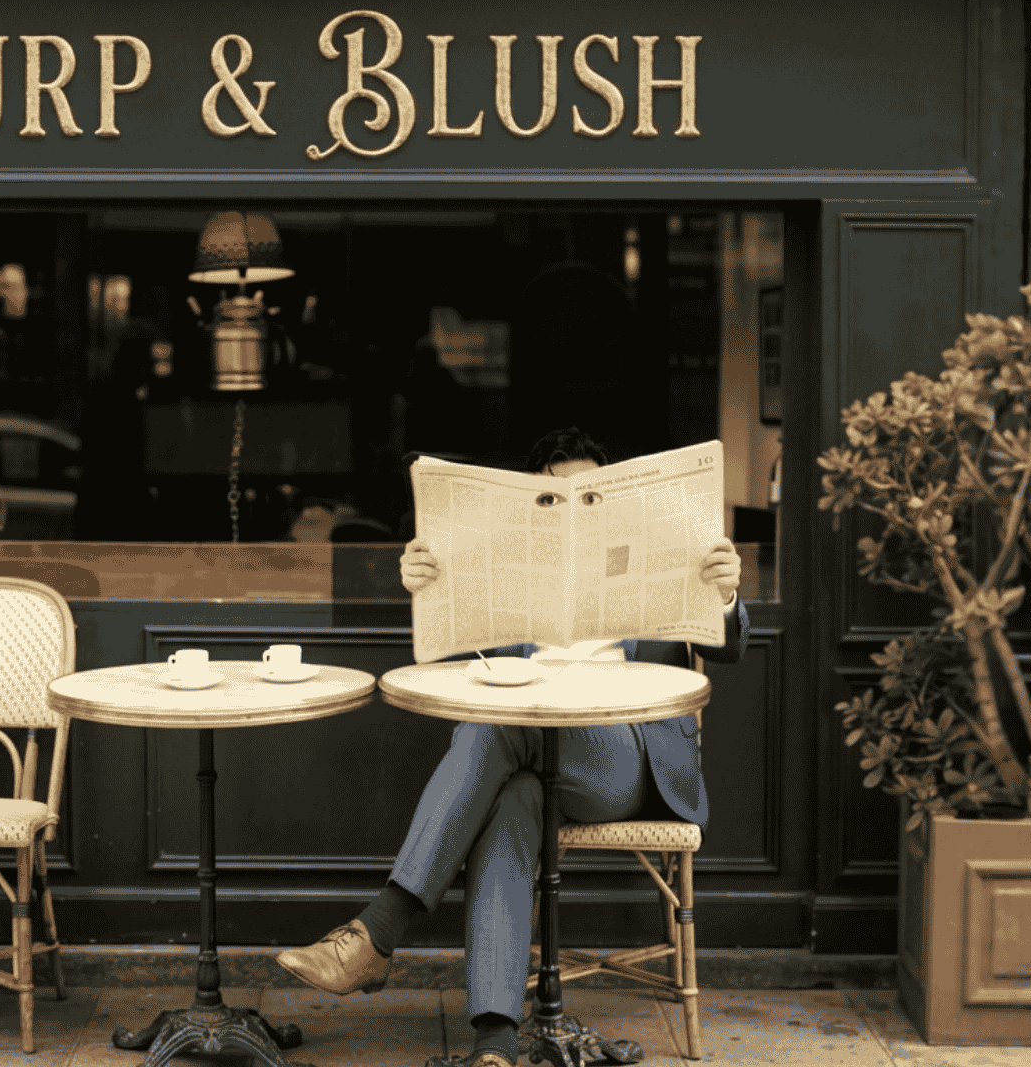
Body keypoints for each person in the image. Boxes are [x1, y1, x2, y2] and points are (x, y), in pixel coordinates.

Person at [276, 427, 748, 1067]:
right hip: (537, 754)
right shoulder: (511, 558)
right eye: (557, 496)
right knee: (512, 803)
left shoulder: (659, 547)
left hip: (627, 759)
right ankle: (495, 1044)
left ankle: (380, 931)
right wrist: (428, 577)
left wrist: (724, 594)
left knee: (496, 722)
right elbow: (448, 638)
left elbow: (730, 645)